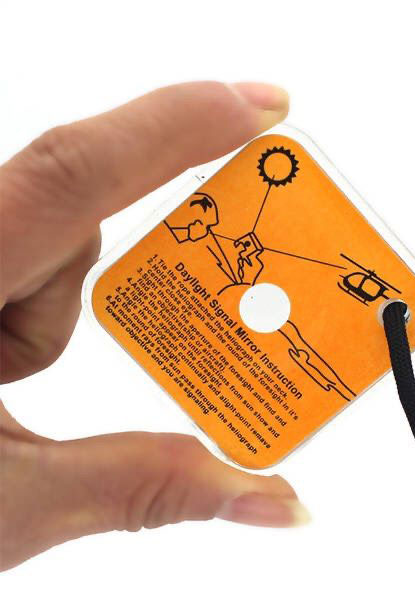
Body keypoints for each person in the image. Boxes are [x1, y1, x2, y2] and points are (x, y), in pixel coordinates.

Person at [0, 81, 310, 573]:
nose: (204, 220)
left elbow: (237, 278)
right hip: (182, 312)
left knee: (292, 342)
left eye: (207, 217)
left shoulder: (219, 250)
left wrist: (245, 264)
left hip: (235, 327)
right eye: (203, 215)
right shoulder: (193, 246)